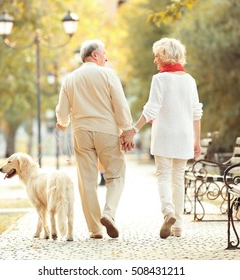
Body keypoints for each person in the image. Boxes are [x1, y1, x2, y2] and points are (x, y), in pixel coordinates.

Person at [121, 38, 203, 239]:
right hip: (184, 136)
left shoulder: (159, 79)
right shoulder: (189, 80)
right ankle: (178, 227)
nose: (154, 60)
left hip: (165, 135)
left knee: (164, 176)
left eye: (157, 55)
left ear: (166, 55)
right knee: (178, 179)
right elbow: (196, 112)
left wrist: (133, 130)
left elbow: (151, 109)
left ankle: (168, 213)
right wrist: (197, 140)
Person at [55, 39, 135, 239]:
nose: (106, 57)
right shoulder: (108, 74)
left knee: (87, 181)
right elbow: (120, 104)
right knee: (116, 175)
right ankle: (108, 213)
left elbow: (62, 111)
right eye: (104, 53)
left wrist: (63, 123)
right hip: (106, 130)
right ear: (95, 55)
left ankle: (95, 229)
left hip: (81, 132)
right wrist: (127, 129)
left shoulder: (70, 79)